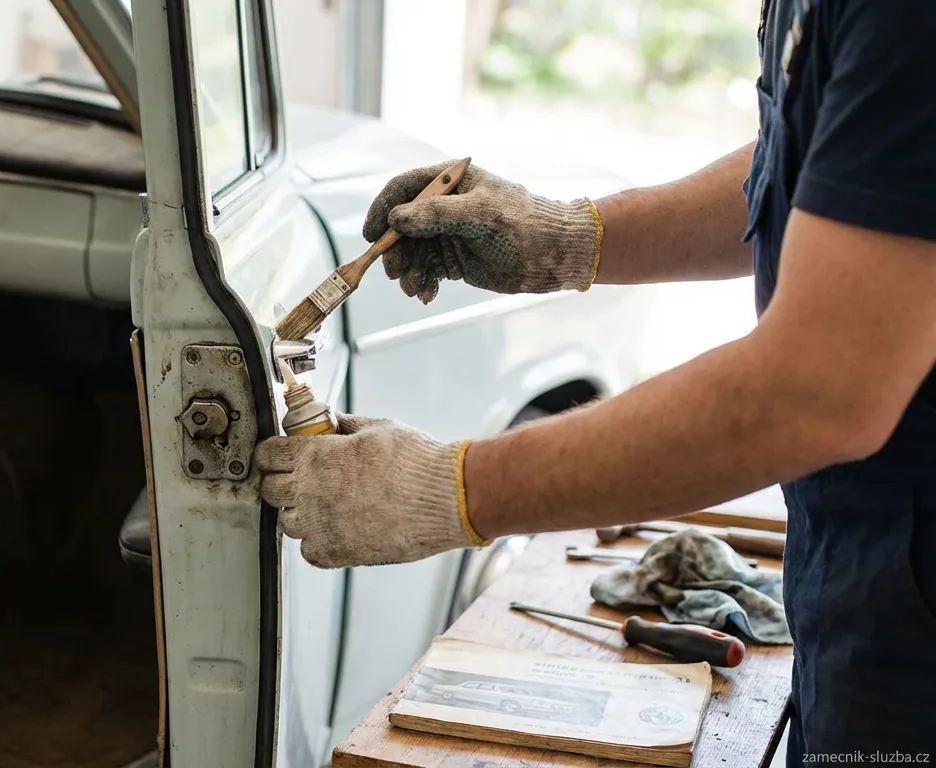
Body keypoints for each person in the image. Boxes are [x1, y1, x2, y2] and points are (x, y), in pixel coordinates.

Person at [256, 0, 936, 758]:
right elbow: (827, 167)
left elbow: (816, 389)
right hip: (862, 579)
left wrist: (450, 489)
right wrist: (570, 238)